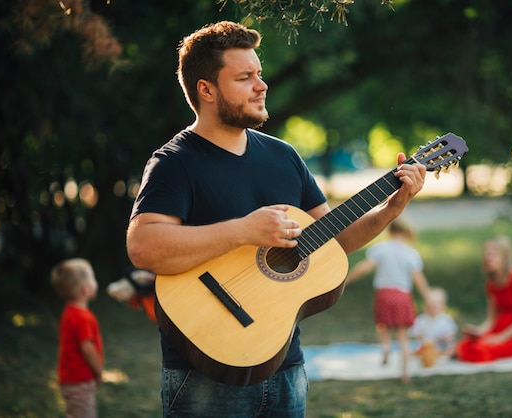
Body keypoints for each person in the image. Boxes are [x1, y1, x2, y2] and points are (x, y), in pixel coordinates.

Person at [126, 21, 426, 417]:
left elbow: (333, 237)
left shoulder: (283, 156)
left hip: (285, 365)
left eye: (260, 74)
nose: (261, 85)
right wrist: (243, 231)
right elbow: (144, 247)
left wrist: (391, 208)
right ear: (207, 90)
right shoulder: (174, 163)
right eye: (245, 77)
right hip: (205, 375)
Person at [345, 220, 430, 382]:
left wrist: (347, 280)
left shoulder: (381, 249)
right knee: (403, 336)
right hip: (403, 296)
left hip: (384, 294)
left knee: (382, 326)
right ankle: (405, 374)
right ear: (406, 232)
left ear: (389, 231)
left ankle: (386, 347)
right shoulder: (410, 253)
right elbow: (418, 279)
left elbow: (364, 267)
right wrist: (427, 297)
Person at [456, 236, 512, 362]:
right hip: (500, 330)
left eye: (493, 254)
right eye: (486, 253)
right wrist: (479, 331)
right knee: (465, 344)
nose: (487, 257)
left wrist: (501, 337)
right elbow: (491, 319)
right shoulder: (491, 283)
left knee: (480, 351)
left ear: (505, 257)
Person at [50, 258, 104, 418]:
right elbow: (87, 348)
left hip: (71, 380)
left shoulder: (69, 312)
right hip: (79, 382)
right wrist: (99, 371)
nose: (96, 282)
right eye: (93, 278)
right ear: (86, 289)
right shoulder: (83, 318)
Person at [409, 286, 457, 366]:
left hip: (441, 345)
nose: (432, 310)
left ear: (442, 306)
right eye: (429, 307)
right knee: (418, 349)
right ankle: (425, 357)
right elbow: (415, 332)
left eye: (435, 307)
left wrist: (443, 338)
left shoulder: (446, 319)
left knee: (452, 345)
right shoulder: (422, 319)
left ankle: (445, 356)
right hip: (427, 346)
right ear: (425, 306)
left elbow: (451, 333)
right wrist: (421, 337)